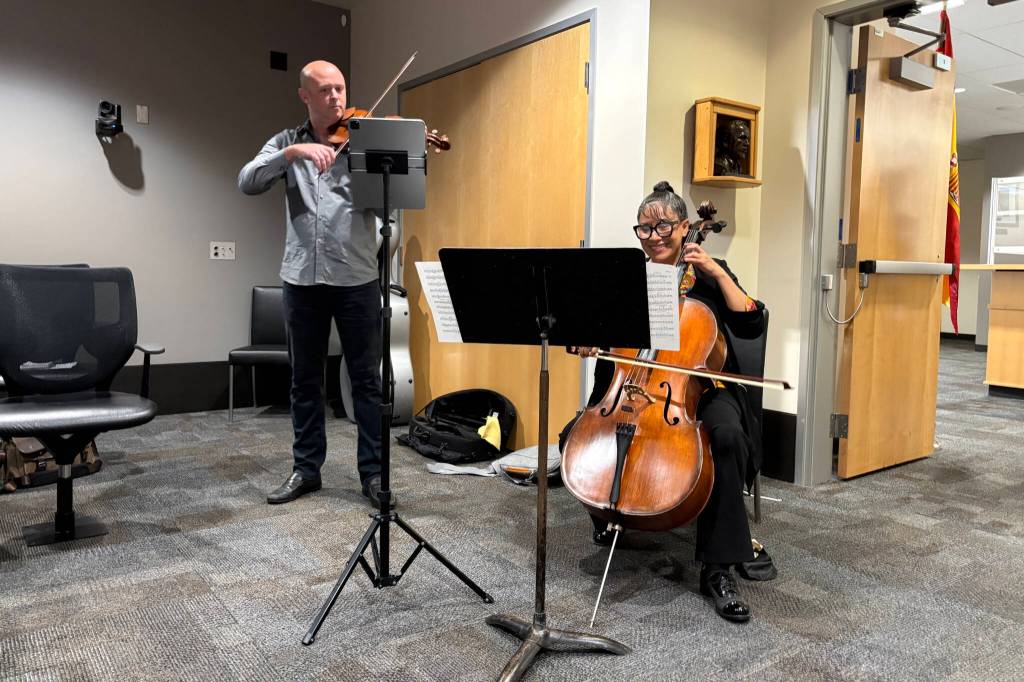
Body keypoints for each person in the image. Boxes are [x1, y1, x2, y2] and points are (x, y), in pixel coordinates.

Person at [564, 181, 768, 623]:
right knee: (578, 436)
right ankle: (611, 512)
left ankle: (717, 568)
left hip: (695, 389)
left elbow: (752, 321)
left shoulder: (712, 272)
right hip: (632, 387)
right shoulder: (628, 278)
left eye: (664, 227)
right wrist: (587, 341)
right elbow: (599, 332)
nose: (654, 237)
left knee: (727, 436)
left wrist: (715, 272)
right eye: (645, 229)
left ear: (684, 228)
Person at [238, 60, 386, 507]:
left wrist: (387, 157)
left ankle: (374, 475)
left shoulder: (365, 139)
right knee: (304, 381)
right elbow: (246, 181)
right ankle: (306, 470)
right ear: (305, 96)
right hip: (302, 278)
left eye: (340, 88)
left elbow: (399, 194)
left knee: (366, 382)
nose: (336, 98)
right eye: (325, 91)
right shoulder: (287, 142)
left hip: (357, 277)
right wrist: (291, 156)